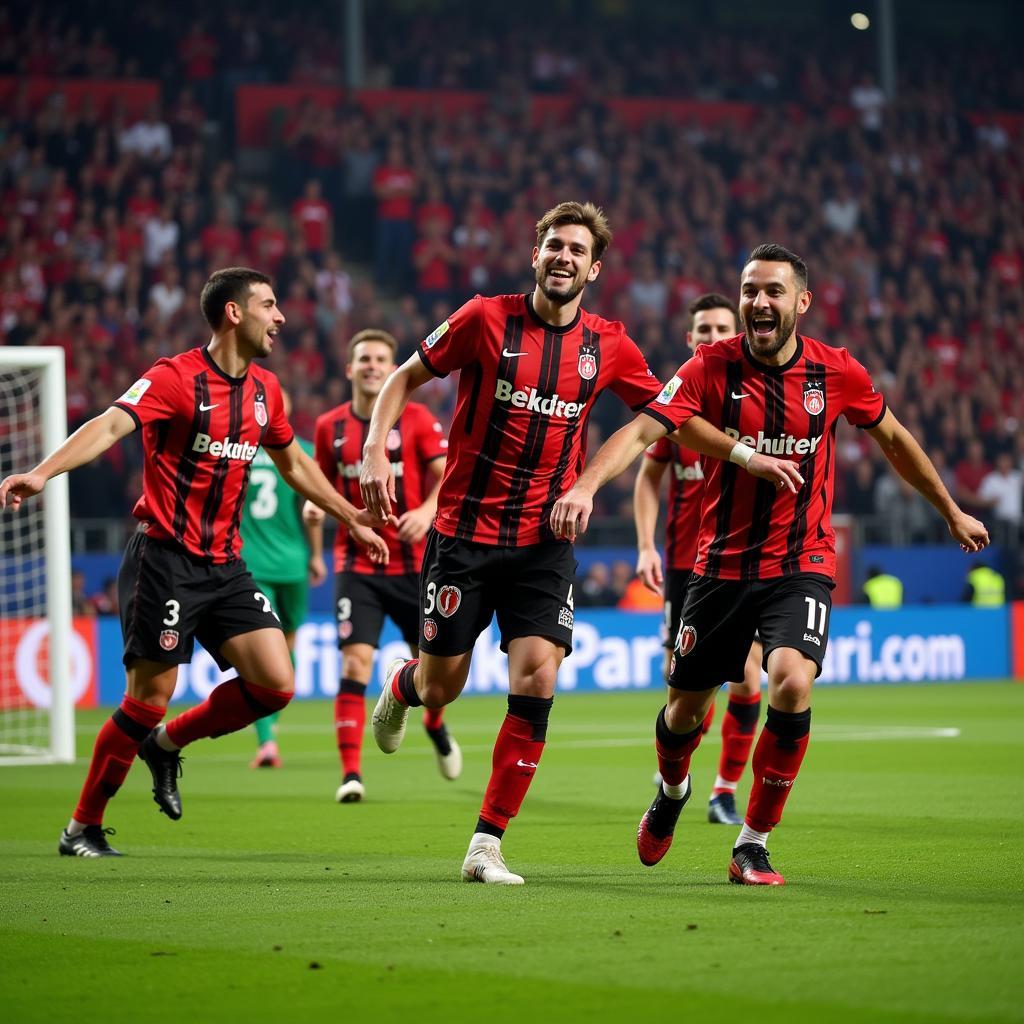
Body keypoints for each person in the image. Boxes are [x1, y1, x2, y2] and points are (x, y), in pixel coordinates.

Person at [359, 203, 801, 885]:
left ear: (594, 268)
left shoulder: (611, 346)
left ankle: (486, 844)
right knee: (443, 680)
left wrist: (738, 453)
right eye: (553, 246)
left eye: (577, 251)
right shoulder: (484, 318)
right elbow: (402, 379)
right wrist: (374, 452)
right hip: (465, 537)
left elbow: (665, 420)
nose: (563, 258)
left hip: (545, 540)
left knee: (537, 675)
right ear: (535, 255)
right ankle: (404, 686)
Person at [551, 242, 989, 885]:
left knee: (789, 681)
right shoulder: (707, 368)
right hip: (720, 568)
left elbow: (893, 437)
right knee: (683, 713)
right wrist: (587, 484)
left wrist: (951, 510)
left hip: (801, 562)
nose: (758, 301)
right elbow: (646, 431)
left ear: (801, 303)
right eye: (749, 290)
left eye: (773, 291)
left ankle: (752, 842)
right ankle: (672, 793)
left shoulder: (836, 372)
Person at [0, 267, 391, 858]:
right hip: (165, 558)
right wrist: (42, 473)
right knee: (146, 698)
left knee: (277, 682)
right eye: (269, 304)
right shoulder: (175, 378)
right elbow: (109, 425)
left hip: (225, 564)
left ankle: (167, 745)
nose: (281, 316)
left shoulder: (266, 391)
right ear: (234, 313)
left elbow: (293, 465)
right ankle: (82, 826)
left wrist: (348, 514)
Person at [304, 328, 460, 804]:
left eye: (381, 359)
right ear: (349, 368)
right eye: (364, 359)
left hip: (417, 567)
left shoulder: (416, 419)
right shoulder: (329, 427)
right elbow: (319, 493)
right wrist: (316, 533)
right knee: (354, 662)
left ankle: (435, 725)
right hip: (358, 567)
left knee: (434, 675)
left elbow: (451, 473)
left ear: (393, 369)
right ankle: (351, 774)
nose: (372, 366)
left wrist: (426, 511)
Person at [634, 293, 762, 826]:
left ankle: (724, 791)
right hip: (688, 567)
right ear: (689, 340)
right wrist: (645, 545)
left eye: (720, 328)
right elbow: (647, 479)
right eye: (702, 329)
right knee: (686, 689)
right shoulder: (677, 407)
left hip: (744, 564)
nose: (711, 337)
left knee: (750, 678)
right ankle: (676, 775)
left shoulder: (753, 405)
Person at [239, 389, 325, 769]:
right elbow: (314, 509)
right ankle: (267, 736)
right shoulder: (299, 449)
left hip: (252, 561)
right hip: (289, 561)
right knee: (281, 644)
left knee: (267, 649)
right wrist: (318, 555)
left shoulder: (235, 449)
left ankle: (267, 732)